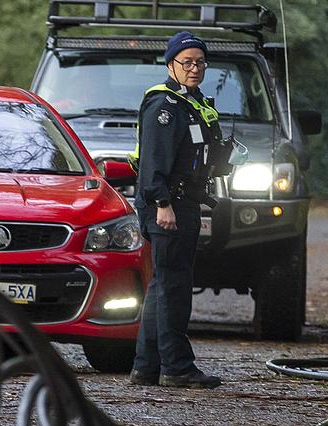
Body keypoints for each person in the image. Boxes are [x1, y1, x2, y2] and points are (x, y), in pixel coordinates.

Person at [129, 31, 227, 389]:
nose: (195, 68)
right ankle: (177, 368)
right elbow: (154, 160)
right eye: (187, 62)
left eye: (200, 62)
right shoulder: (165, 106)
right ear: (170, 64)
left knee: (163, 285)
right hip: (168, 205)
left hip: (182, 201)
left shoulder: (191, 103)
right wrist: (162, 204)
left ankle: (147, 366)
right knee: (174, 287)